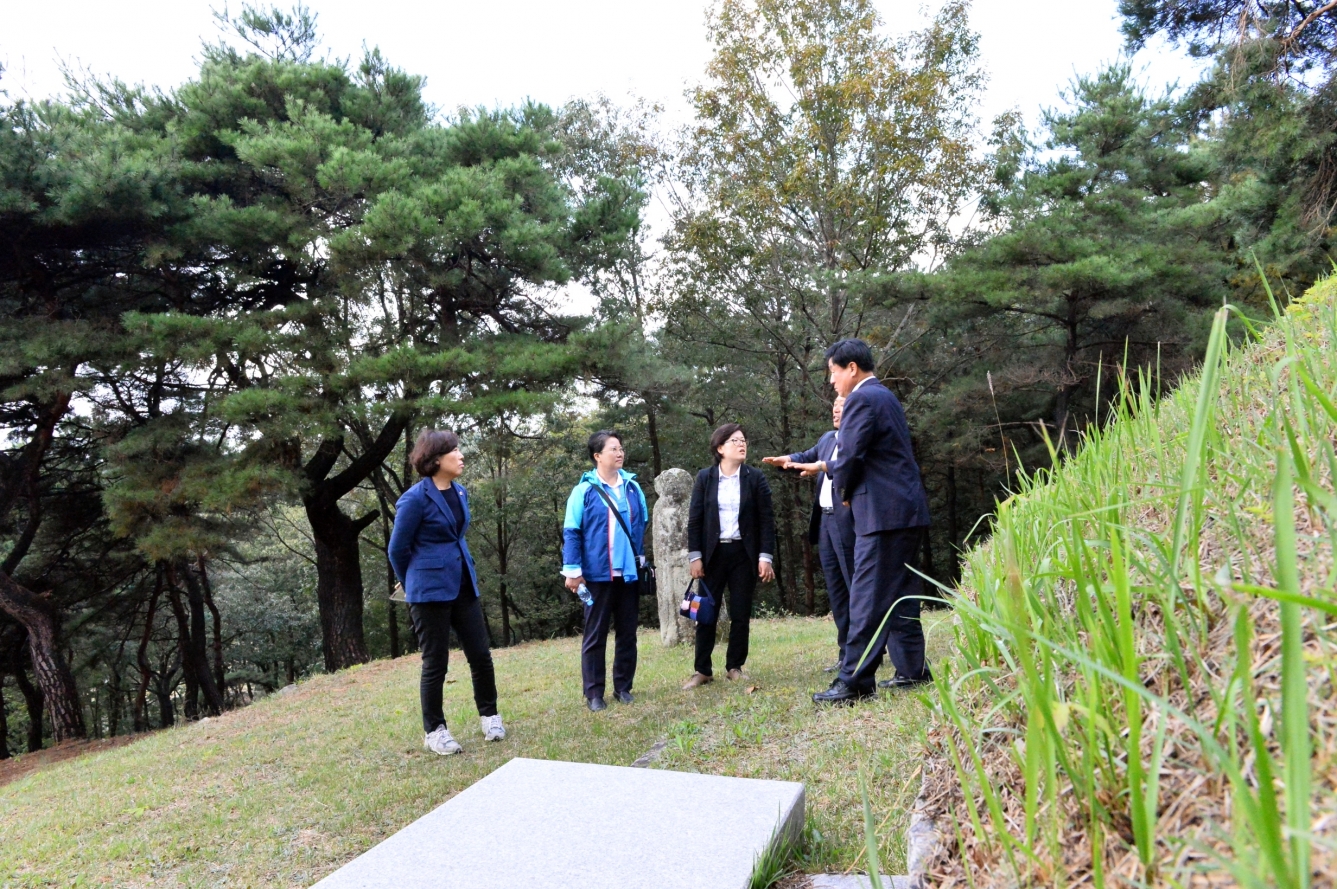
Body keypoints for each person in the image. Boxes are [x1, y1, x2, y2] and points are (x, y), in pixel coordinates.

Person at [788, 340, 932, 704]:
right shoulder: (884, 396)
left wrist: (845, 491)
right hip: (903, 512)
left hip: (883, 516)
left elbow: (850, 456)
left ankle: (853, 682)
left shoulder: (862, 399)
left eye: (834, 373)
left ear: (852, 368)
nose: (832, 382)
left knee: (865, 598)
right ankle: (913, 670)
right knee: (898, 594)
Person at [388, 429, 505, 755]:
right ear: (435, 459)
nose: (460, 455)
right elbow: (397, 549)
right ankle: (435, 731)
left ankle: (490, 716)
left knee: (480, 654)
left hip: (463, 584)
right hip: (428, 592)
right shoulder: (414, 499)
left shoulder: (461, 492)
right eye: (454, 451)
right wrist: (411, 581)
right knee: (435, 662)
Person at [683, 423, 777, 689]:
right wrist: (695, 557)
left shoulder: (755, 477)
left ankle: (734, 666)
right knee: (705, 614)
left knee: (740, 612)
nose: (741, 444)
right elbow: (695, 521)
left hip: (743, 554)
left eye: (743, 440)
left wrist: (765, 556)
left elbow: (766, 521)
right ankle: (702, 670)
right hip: (712, 555)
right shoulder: (705, 478)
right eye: (735, 440)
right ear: (720, 448)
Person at [561, 430, 650, 712]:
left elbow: (641, 524)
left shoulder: (633, 487)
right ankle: (594, 693)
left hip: (628, 574)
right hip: (597, 575)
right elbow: (572, 532)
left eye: (621, 448)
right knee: (595, 633)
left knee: (627, 632)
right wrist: (573, 571)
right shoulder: (583, 490)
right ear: (598, 456)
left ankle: (623, 687)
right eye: (613, 449)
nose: (620, 453)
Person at [763, 396, 853, 673]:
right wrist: (786, 460)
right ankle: (846, 652)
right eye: (834, 406)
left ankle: (869, 646)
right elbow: (808, 455)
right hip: (824, 522)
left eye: (843, 405)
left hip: (849, 522)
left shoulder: (858, 440)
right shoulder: (829, 438)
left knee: (856, 587)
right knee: (837, 590)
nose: (836, 410)